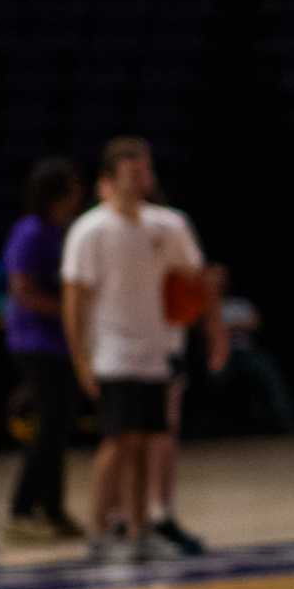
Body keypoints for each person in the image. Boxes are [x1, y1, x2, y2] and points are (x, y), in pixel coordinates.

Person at [62, 139, 205, 563]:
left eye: (146, 171)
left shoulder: (163, 226)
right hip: (112, 351)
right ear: (108, 180)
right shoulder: (91, 230)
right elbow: (74, 299)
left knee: (147, 442)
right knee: (117, 442)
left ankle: (140, 530)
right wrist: (81, 356)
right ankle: (98, 530)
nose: (142, 179)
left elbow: (193, 282)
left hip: (154, 350)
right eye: (132, 172)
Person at [2, 158, 86, 544]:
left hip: (60, 342)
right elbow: (22, 290)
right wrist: (65, 310)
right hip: (34, 341)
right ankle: (21, 511)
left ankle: (52, 510)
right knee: (48, 427)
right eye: (72, 186)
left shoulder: (62, 231)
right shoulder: (31, 232)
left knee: (59, 427)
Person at [144, 182, 228, 556]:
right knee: (125, 440)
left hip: (163, 348)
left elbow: (201, 282)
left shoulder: (170, 229)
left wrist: (214, 331)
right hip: (121, 351)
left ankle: (159, 513)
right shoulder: (98, 230)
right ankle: (130, 517)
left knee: (161, 433)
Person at [205, 265, 294, 433]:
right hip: (220, 355)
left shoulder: (239, 304)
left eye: (222, 278)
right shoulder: (207, 306)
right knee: (216, 376)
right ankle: (218, 428)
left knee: (268, 370)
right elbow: (208, 331)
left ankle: (286, 424)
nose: (219, 282)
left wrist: (228, 326)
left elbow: (254, 323)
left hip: (247, 352)